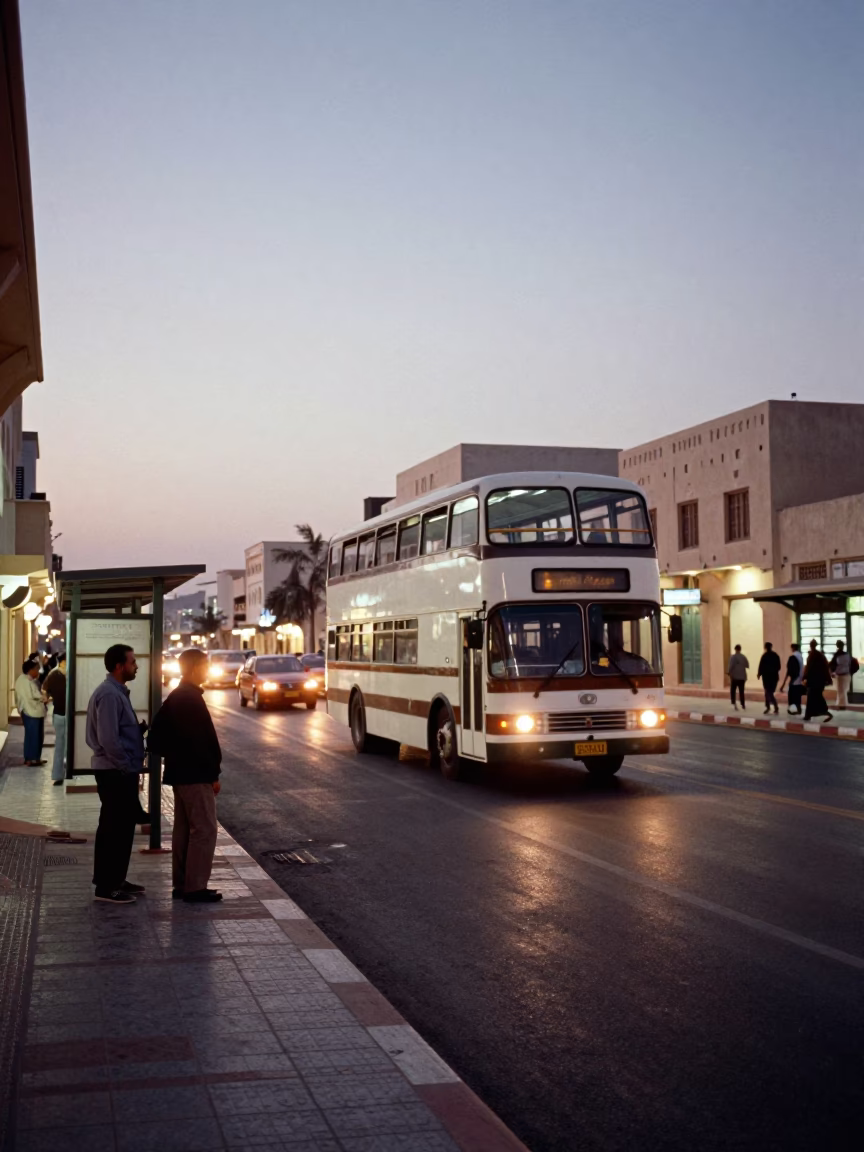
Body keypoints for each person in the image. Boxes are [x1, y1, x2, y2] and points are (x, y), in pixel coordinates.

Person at [150, 648, 223, 903]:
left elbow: (157, 737)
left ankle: (182, 884)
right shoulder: (189, 698)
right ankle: (195, 887)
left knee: (183, 831)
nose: (207, 670)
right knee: (204, 830)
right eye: (205, 665)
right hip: (195, 775)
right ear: (193, 668)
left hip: (181, 773)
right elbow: (200, 743)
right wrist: (212, 773)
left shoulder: (179, 696)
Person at [86, 644, 147, 905]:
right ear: (120, 666)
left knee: (121, 828)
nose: (136, 666)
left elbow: (117, 732)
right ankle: (106, 887)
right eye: (133, 662)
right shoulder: (110, 695)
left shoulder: (116, 692)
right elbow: (108, 739)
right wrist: (125, 764)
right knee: (113, 829)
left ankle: (116, 880)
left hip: (119, 770)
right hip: (114, 772)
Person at [15, 659, 47, 765]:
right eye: (36, 669)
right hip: (32, 712)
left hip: (32, 712)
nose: (38, 671)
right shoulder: (24, 681)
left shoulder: (26, 680)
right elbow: (31, 696)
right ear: (30, 670)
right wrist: (43, 697)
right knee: (34, 736)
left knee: (33, 736)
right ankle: (32, 758)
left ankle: (32, 758)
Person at [43, 655, 67, 786]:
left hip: (62, 714)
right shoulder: (57, 674)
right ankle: (60, 775)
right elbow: (45, 691)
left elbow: (44, 690)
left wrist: (47, 698)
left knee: (62, 746)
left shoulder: (53, 674)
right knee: (61, 746)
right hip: (61, 714)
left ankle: (62, 774)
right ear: (63, 661)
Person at [802, 639, 833, 723]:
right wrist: (828, 679)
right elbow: (826, 668)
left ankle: (812, 714)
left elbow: (809, 668)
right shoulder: (820, 655)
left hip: (813, 681)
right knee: (815, 696)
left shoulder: (813, 655)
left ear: (812, 645)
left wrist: (804, 677)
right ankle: (812, 714)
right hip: (819, 681)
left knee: (812, 697)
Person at [829, 641, 857, 710]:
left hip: (840, 675)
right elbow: (853, 663)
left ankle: (842, 705)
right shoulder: (847, 655)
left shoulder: (836, 655)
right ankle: (841, 703)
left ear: (837, 646)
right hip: (846, 674)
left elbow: (832, 665)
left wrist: (832, 672)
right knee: (843, 690)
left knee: (840, 690)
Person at [757, 642, 782, 715]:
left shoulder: (765, 656)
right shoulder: (775, 655)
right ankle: (769, 707)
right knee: (768, 692)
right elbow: (779, 667)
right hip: (773, 677)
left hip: (768, 677)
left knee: (769, 692)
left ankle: (774, 707)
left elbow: (761, 666)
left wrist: (759, 673)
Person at [780, 643, 805, 715]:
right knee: (797, 696)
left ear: (793, 648)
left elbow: (789, 671)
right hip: (799, 679)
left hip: (795, 679)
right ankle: (798, 709)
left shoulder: (793, 657)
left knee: (792, 695)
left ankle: (793, 709)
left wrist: (783, 683)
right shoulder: (800, 656)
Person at [727, 645, 749, 710]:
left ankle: (734, 703)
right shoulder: (743, 657)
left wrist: (728, 672)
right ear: (740, 649)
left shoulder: (733, 657)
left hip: (735, 677)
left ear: (735, 649)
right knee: (741, 691)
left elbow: (731, 666)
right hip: (742, 677)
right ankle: (743, 704)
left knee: (733, 690)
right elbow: (747, 665)